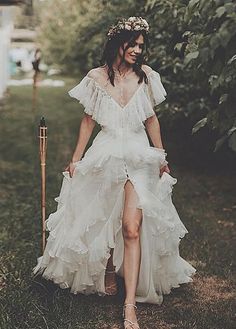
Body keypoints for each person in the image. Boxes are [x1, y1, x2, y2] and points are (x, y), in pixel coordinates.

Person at [33, 16, 196, 329]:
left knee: (131, 226)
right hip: (106, 151)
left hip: (138, 155)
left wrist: (161, 156)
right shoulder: (96, 77)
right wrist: (76, 158)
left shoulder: (146, 76)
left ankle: (129, 305)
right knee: (104, 214)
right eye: (132, 44)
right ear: (117, 43)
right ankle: (108, 269)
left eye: (140, 46)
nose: (137, 50)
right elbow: (88, 121)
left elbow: (151, 120)